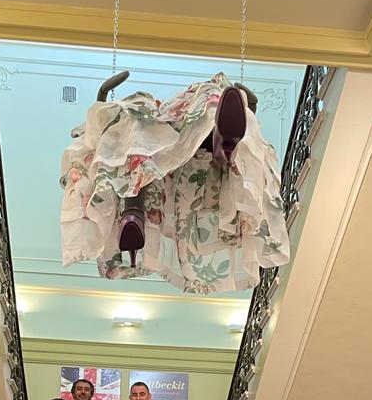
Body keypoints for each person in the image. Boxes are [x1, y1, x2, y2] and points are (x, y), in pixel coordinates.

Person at [61, 73, 290, 293]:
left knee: (133, 146)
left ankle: (132, 213)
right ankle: (225, 147)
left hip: (150, 158)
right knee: (204, 110)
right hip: (191, 150)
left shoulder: (136, 117)